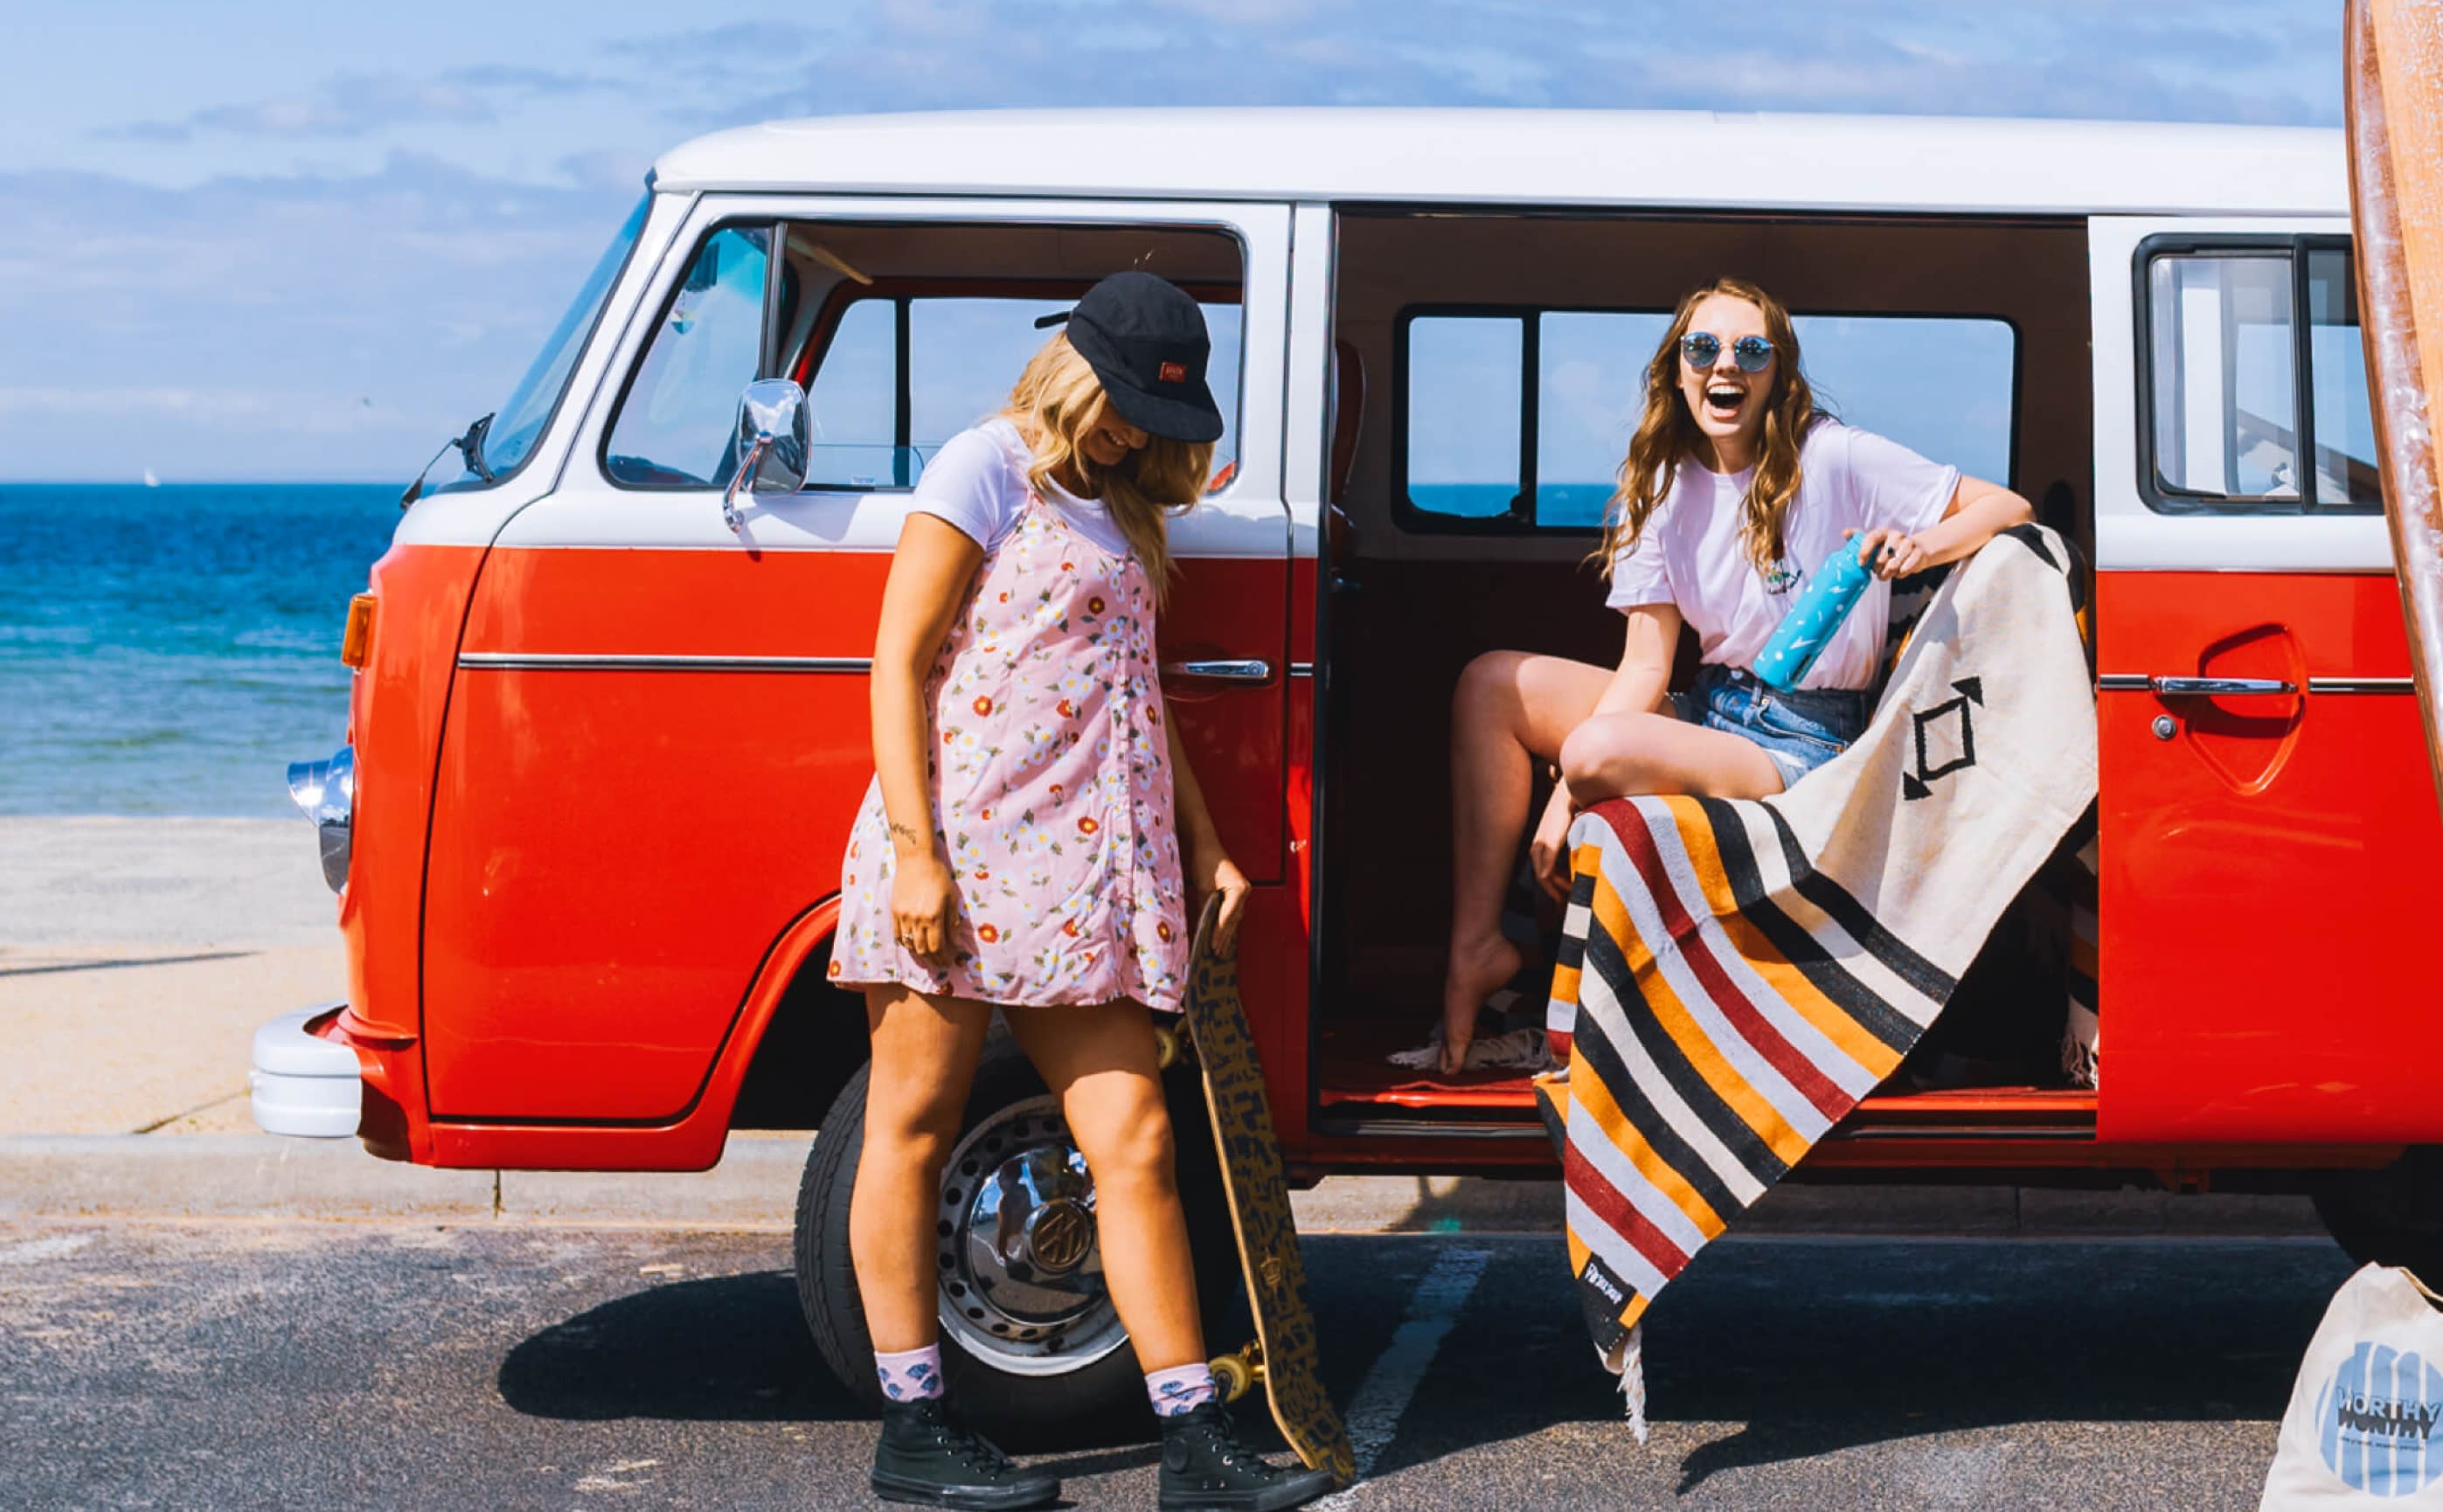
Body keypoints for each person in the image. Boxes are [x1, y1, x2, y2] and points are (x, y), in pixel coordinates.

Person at [831, 271, 1338, 1512]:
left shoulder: (1119, 504)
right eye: (1117, 404)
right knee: (909, 1129)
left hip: (1080, 869)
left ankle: (1194, 1444)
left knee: (1139, 1140)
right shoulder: (983, 466)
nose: (1130, 433)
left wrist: (1208, 841)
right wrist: (913, 851)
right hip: (960, 847)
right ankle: (915, 1427)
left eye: (1155, 421)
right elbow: (897, 663)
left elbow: (1135, 696)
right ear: (1074, 366)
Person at [1437, 278, 2034, 1072]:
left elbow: (2009, 505)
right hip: (1710, 712)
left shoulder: (1836, 456)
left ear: (1778, 374)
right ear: (1677, 371)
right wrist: (1556, 813)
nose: (1728, 365)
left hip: (1804, 742)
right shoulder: (1659, 484)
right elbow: (1646, 663)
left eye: (1752, 350)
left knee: (1590, 755)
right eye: (1704, 348)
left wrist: (1921, 548)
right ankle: (1477, 950)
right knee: (1491, 685)